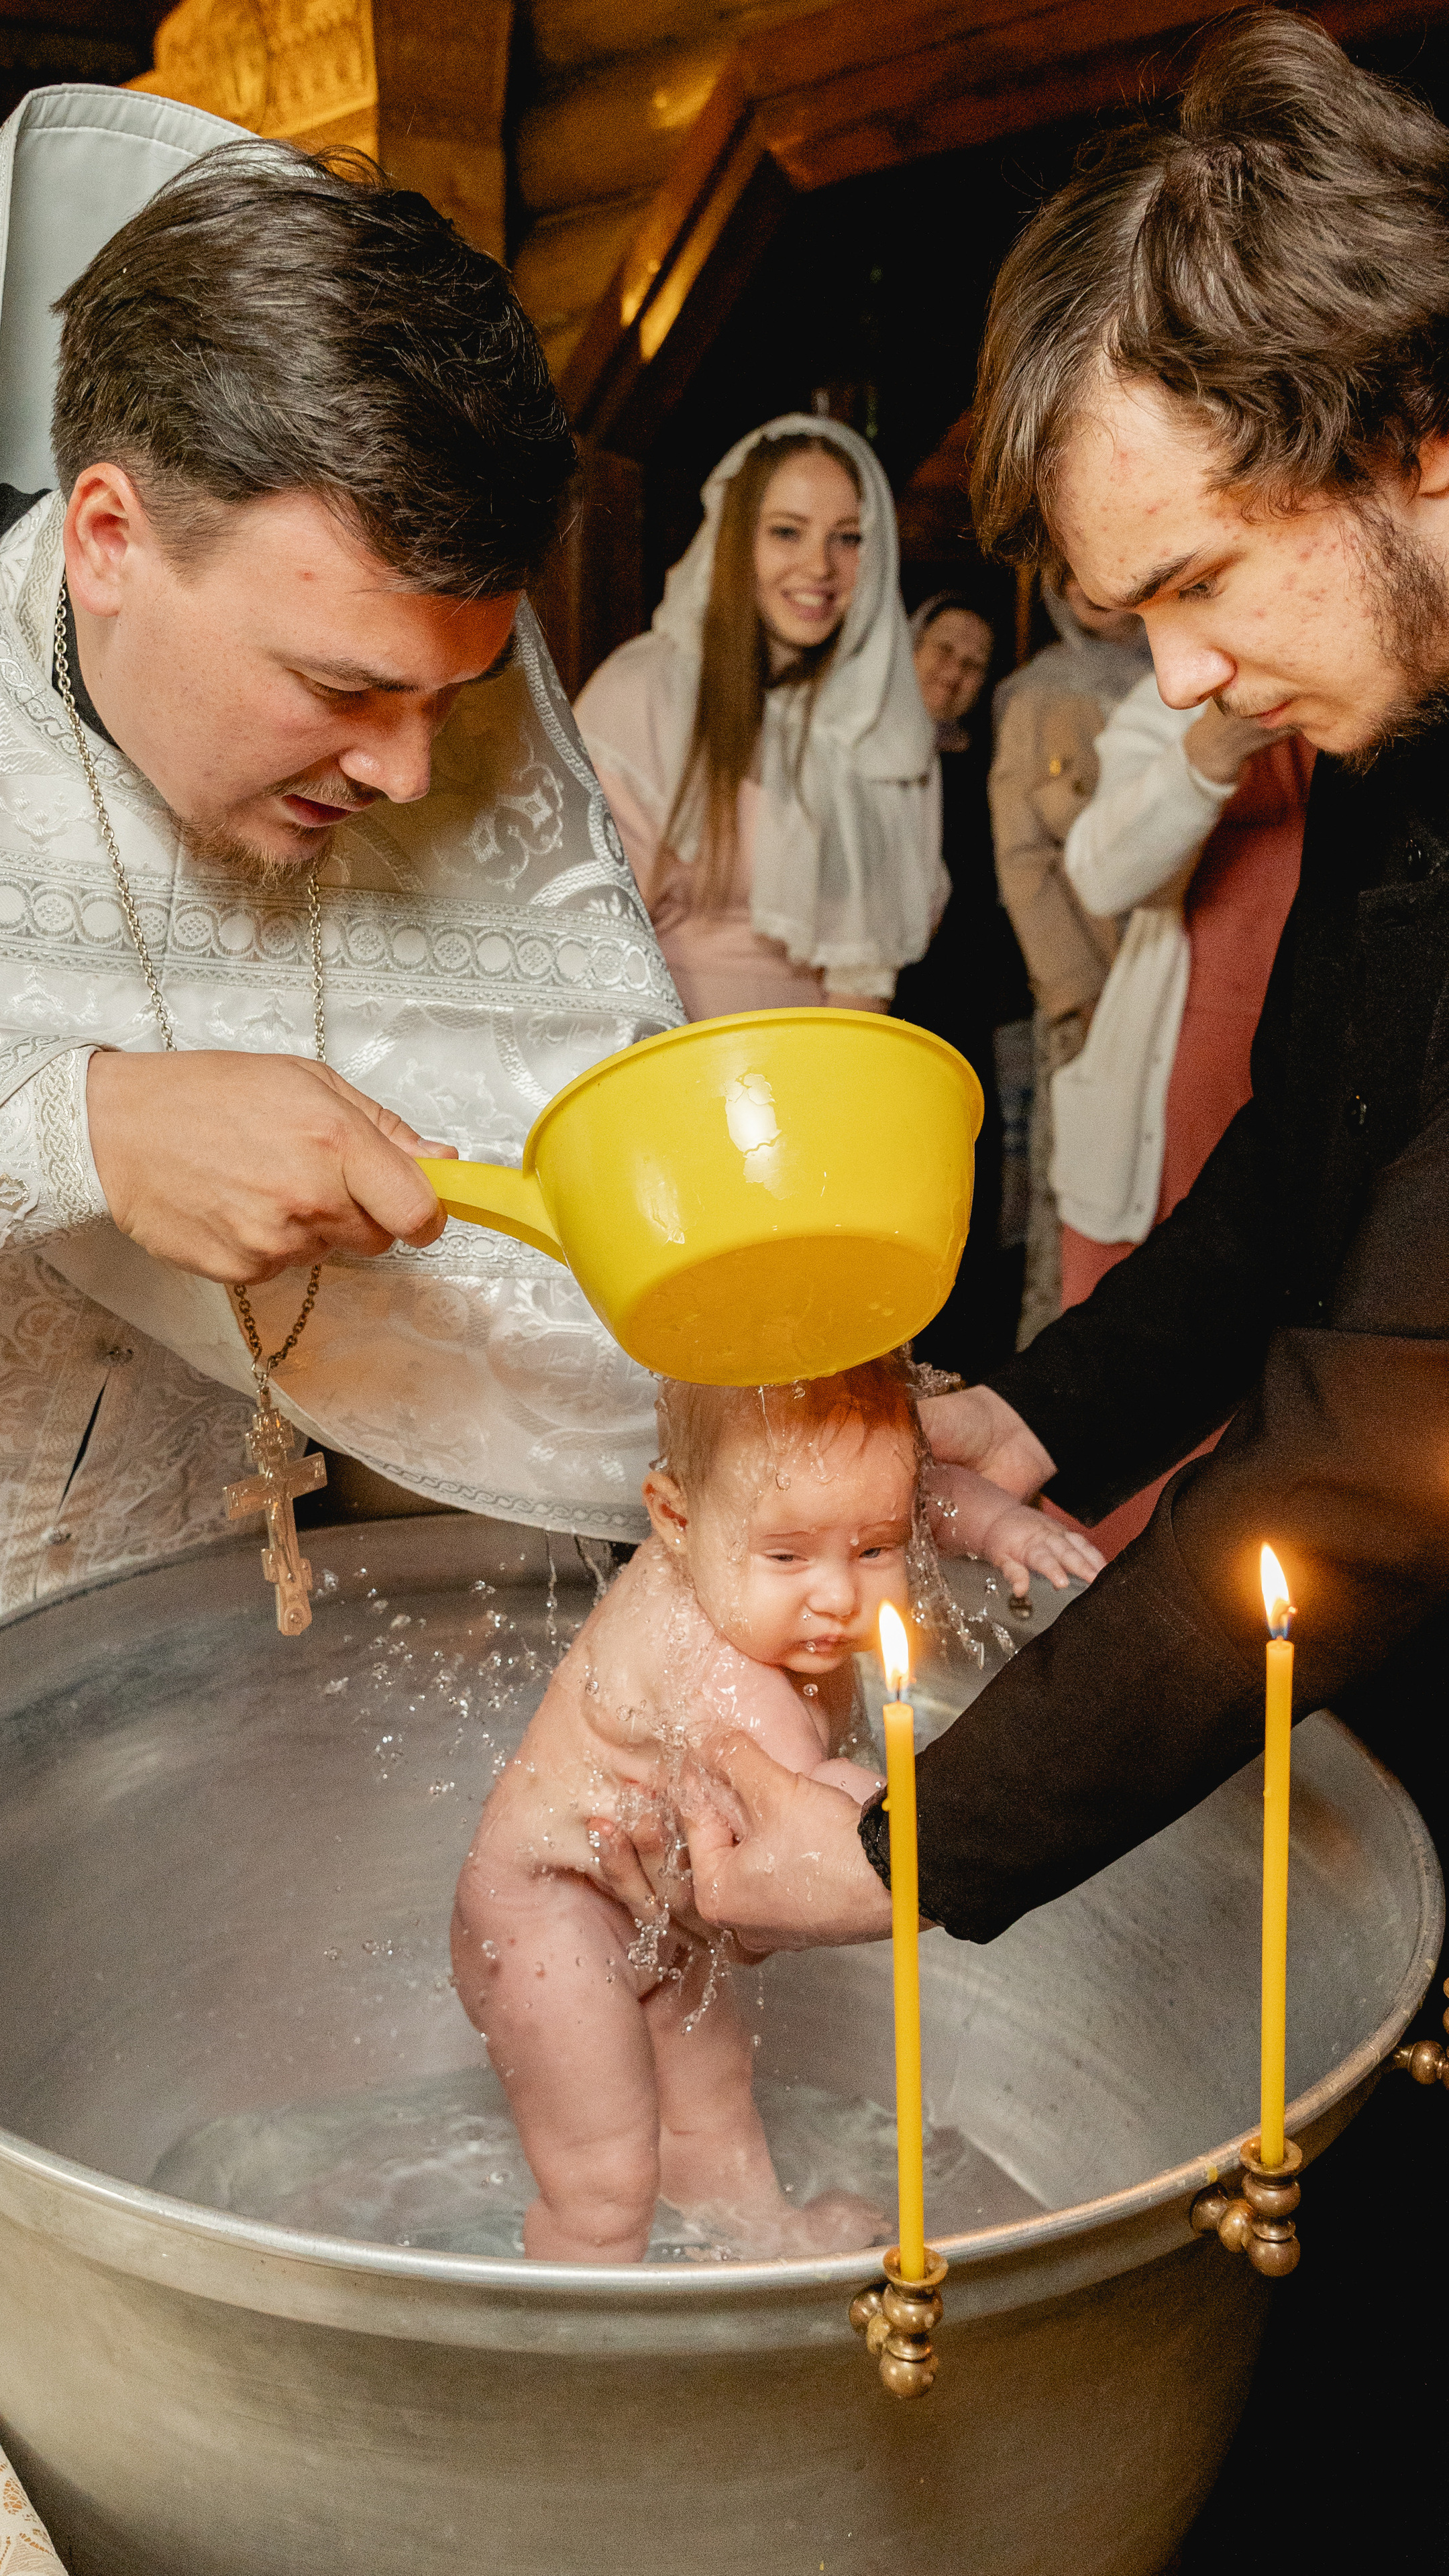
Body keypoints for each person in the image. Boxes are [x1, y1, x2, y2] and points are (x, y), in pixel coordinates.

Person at [584, 8, 1449, 1972]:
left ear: (1411, 436)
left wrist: (910, 1847)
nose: (1178, 680)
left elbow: (1375, 1446)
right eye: (1134, 612)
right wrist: (1032, 1418)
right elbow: (1292, 1187)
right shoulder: (1394, 731)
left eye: (1202, 578)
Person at [0, 87, 683, 1739]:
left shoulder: (425, 743)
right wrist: (77, 1124)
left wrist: (772, 1388)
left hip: (295, 1630)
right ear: (108, 536)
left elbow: (579, 1151)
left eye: (450, 701)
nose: (403, 776)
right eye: (339, 687)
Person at [453, 1362, 1098, 2261]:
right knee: (605, 2175)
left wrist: (1002, 1525)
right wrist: (944, 1819)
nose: (837, 1596)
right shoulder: (730, 1675)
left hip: (650, 1909)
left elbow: (914, 1498)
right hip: (548, 1923)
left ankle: (756, 2231)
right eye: (789, 1557)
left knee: (715, 2104)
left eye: (872, 1552)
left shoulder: (752, 1539)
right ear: (673, 1518)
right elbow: (817, 1830)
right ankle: (581, 2320)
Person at [1051, 676, 1311, 1550]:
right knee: (1139, 1372)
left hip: (1314, 1085)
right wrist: (1209, 753)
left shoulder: (1380, 707)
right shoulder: (1175, 699)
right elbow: (1100, 872)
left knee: (1276, 1409)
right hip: (1171, 1092)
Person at [574, 417, 943, 1022]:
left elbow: (865, 978)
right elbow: (594, 943)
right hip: (656, 1054)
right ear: (736, 540)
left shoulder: (885, 726)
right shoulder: (644, 690)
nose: (819, 567)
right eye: (787, 532)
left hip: (820, 1075)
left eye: (848, 539)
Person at [988, 574, 1152, 1344]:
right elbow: (1021, 860)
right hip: (1087, 985)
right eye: (1074, 572)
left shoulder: (1182, 679)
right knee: (1077, 1180)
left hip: (1171, 973)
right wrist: (1076, 993)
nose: (1095, 589)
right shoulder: (1038, 695)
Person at [894, 596, 1033, 1383]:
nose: (953, 672)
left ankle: (957, 1361)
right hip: (891, 1000)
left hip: (967, 1006)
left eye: (972, 663)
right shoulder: (868, 760)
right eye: (941, 650)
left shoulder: (983, 765)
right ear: (909, 647)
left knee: (963, 1182)